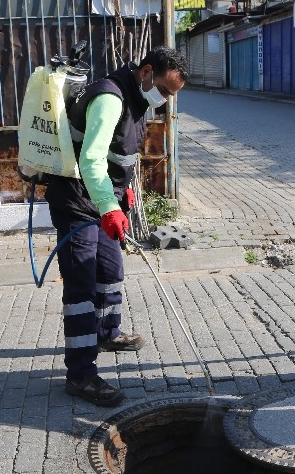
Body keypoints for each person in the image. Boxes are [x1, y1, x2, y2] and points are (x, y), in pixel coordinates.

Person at [44, 46, 188, 406]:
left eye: (172, 94)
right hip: (77, 200)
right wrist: (109, 206)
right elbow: (91, 158)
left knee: (110, 268)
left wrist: (124, 196)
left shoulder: (136, 99)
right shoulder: (110, 98)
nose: (167, 99)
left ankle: (107, 333)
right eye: (165, 90)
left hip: (103, 199)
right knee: (81, 285)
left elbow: (118, 156)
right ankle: (80, 374)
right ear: (146, 72)